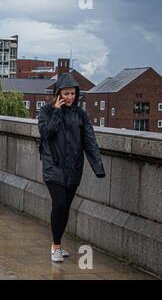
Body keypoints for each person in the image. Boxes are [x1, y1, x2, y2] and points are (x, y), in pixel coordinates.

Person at [38, 73, 105, 263]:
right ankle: (56, 246)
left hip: (74, 168)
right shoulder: (46, 111)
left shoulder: (80, 114)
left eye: (73, 94)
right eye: (66, 93)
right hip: (53, 166)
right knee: (58, 204)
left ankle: (57, 242)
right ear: (58, 93)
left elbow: (89, 140)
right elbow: (46, 133)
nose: (70, 97)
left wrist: (97, 167)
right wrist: (58, 112)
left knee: (65, 208)